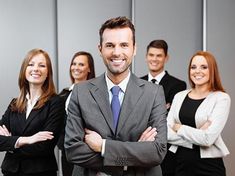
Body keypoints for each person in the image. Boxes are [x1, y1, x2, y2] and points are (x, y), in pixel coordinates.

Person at [64, 16, 167, 176]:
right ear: (100, 49)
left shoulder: (153, 92)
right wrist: (129, 160)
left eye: (124, 45)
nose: (116, 52)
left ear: (134, 49)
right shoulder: (80, 92)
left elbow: (157, 151)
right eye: (110, 45)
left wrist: (103, 146)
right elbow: (73, 149)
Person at [0, 48, 65, 176]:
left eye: (42, 65)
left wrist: (11, 143)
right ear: (24, 70)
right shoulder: (14, 103)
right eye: (31, 64)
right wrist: (27, 140)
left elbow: (45, 146)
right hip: (11, 171)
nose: (36, 69)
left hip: (40, 171)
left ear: (48, 73)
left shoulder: (56, 102)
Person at [167, 51, 230, 176]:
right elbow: (166, 133)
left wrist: (179, 127)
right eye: (193, 67)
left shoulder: (221, 98)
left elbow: (207, 139)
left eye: (204, 67)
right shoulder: (179, 96)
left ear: (212, 70)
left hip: (208, 167)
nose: (197, 71)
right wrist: (198, 135)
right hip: (179, 163)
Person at [140, 39, 186, 176]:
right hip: (139, 146)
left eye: (159, 55)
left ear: (166, 58)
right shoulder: (136, 82)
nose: (154, 59)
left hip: (166, 150)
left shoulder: (178, 85)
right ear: (146, 56)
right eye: (151, 55)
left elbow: (171, 120)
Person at [57, 51, 95, 176]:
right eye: (74, 64)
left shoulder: (96, 93)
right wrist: (62, 145)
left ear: (89, 68)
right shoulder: (63, 95)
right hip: (68, 152)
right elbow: (59, 124)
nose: (76, 68)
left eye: (81, 64)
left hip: (89, 152)